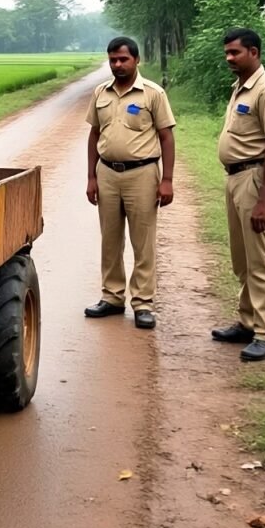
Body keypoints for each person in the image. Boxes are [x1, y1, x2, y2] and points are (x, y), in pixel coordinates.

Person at [83, 36, 176, 330]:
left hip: (143, 174)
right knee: (110, 239)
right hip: (107, 172)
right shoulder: (101, 93)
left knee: (142, 241)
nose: (117, 65)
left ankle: (143, 303)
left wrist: (168, 180)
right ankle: (111, 297)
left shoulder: (153, 93)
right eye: (112, 60)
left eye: (123, 59)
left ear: (137, 60)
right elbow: (94, 135)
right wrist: (91, 176)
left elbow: (166, 137)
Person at [211, 28, 265, 362]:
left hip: (256, 181)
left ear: (254, 52)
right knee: (243, 258)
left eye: (235, 53)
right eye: (227, 53)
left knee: (261, 259)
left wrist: (264, 200)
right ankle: (247, 321)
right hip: (236, 179)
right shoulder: (241, 87)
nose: (229, 58)